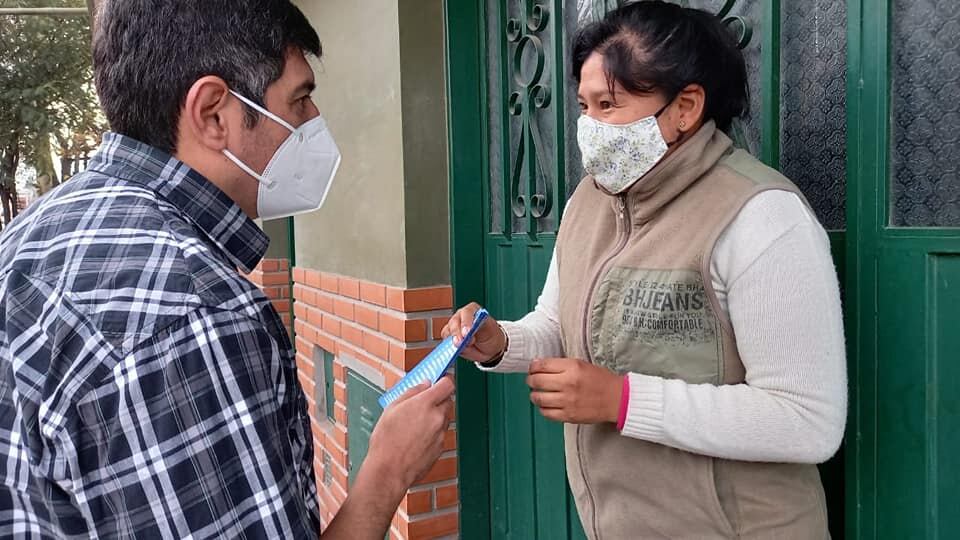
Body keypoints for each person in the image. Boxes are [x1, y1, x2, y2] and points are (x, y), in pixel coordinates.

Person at [0, 1, 452, 539]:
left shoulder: (40, 231)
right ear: (214, 113)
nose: (314, 124)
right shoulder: (194, 315)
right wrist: (387, 471)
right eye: (301, 99)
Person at [444, 2, 847, 538]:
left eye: (609, 104)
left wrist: (621, 400)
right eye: (584, 105)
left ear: (685, 107)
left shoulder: (761, 215)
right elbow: (559, 326)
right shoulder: (587, 203)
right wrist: (498, 344)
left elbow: (807, 421)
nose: (589, 126)